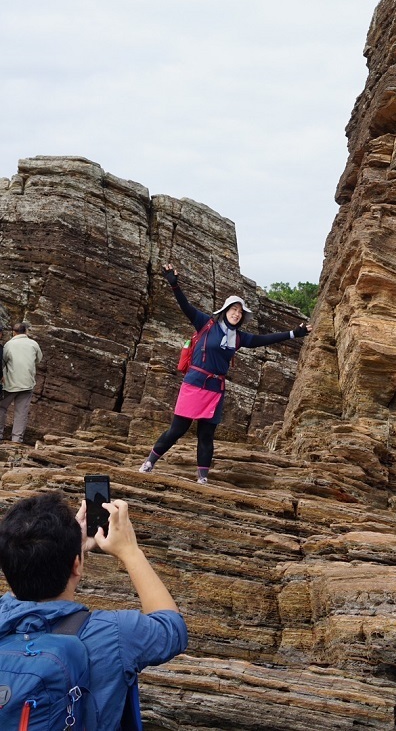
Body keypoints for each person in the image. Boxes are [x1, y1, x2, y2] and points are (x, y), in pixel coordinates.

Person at [0, 490, 188, 730]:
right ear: (77, 566)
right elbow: (172, 627)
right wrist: (130, 552)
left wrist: (66, 552)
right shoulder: (114, 633)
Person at [139, 264, 312, 484]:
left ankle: (202, 478)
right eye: (234, 309)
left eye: (240, 312)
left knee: (206, 435)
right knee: (177, 430)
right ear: (225, 310)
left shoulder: (239, 338)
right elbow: (185, 306)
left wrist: (293, 333)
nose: (237, 314)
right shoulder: (206, 323)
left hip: (215, 389)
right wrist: (174, 285)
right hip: (194, 383)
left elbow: (264, 339)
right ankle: (149, 463)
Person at [0, 321, 43, 443]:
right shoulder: (34, 344)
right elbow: (38, 359)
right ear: (26, 331)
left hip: (10, 384)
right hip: (27, 384)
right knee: (21, 412)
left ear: (13, 332)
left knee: (1, 407)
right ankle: (17, 439)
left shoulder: (9, 345)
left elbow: (3, 362)